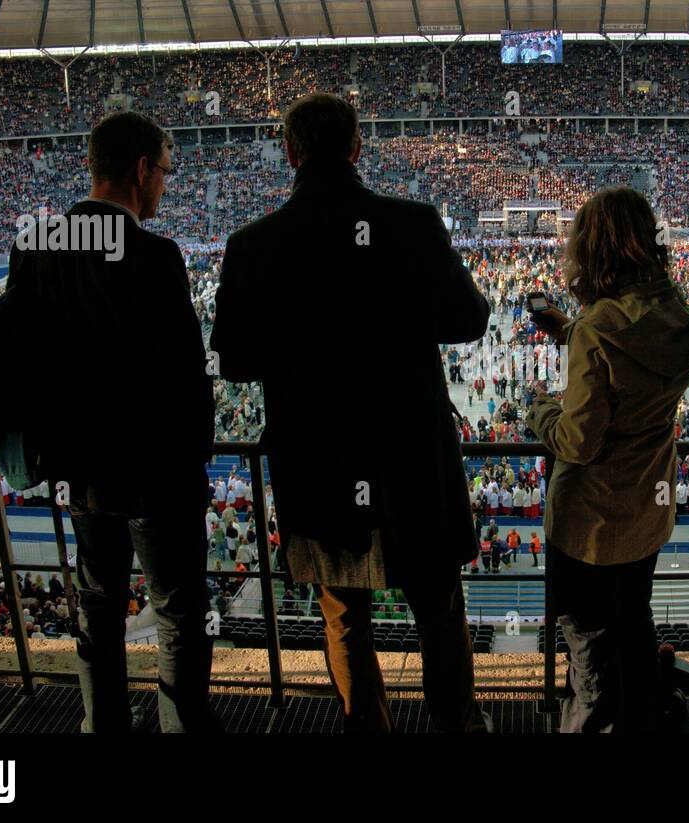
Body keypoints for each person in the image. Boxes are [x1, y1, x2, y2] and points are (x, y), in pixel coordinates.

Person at [210, 93, 489, 733]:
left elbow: (232, 360)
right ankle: (457, 728)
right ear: (358, 147)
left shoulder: (253, 245)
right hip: (412, 461)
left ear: (290, 153)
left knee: (344, 615)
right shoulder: (413, 222)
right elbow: (471, 320)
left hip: (318, 467)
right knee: (439, 611)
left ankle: (368, 728)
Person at [6, 112, 219, 733]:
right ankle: (181, 728)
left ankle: (102, 726)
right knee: (178, 612)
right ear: (141, 170)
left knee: (96, 604)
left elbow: (24, 359)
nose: (165, 188)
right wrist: (195, 455)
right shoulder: (155, 255)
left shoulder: (34, 246)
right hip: (155, 473)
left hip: (78, 472)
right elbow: (185, 373)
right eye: (165, 174)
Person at [528, 186, 689, 732]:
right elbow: (633, 373)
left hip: (591, 528)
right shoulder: (677, 313)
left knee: (591, 661)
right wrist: (571, 331)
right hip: (645, 515)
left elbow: (578, 441)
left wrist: (539, 412)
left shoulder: (596, 328)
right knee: (633, 624)